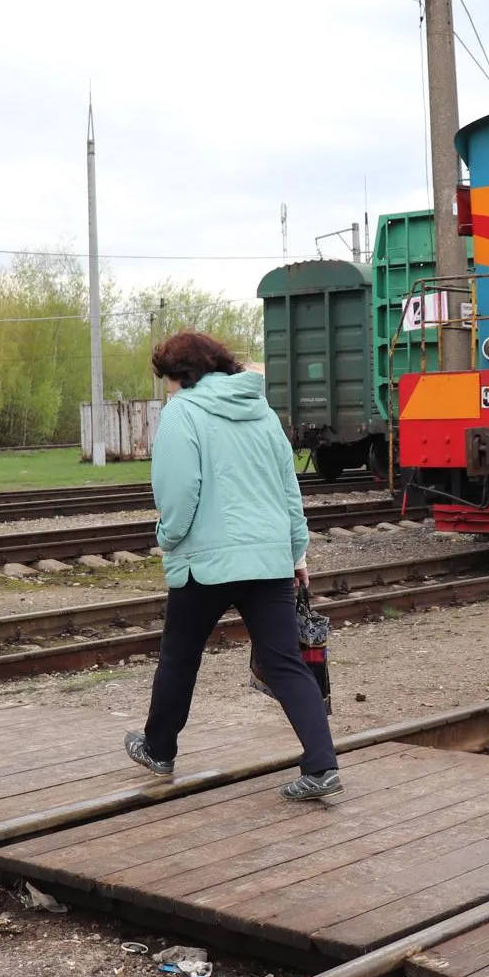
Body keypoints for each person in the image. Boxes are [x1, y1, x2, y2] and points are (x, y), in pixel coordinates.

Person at [123, 331, 342, 801]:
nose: (167, 389)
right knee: (285, 663)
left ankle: (159, 749)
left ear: (184, 375)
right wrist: (296, 554)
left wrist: (167, 537)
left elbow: (179, 492)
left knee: (180, 656)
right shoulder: (261, 412)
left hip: (207, 563)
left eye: (167, 380)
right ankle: (322, 766)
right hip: (268, 561)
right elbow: (288, 490)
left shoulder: (182, 412)